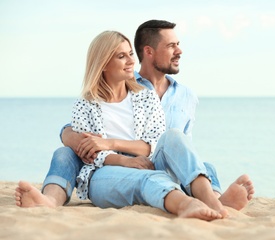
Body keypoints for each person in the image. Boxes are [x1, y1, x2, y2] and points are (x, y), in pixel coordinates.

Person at [15, 20, 254, 214]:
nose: (131, 60)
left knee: (177, 140)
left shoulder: (146, 97)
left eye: (130, 54)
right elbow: (89, 152)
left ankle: (215, 203)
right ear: (103, 63)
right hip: (107, 173)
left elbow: (156, 143)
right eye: (122, 56)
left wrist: (112, 144)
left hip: (152, 163)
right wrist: (124, 160)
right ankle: (192, 204)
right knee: (148, 179)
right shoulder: (86, 104)